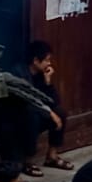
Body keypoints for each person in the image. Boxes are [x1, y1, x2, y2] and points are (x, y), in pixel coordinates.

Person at [25, 40, 68, 171]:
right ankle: (26, 161)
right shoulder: (21, 74)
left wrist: (47, 82)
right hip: (19, 118)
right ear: (36, 61)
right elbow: (28, 102)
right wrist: (49, 113)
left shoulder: (40, 75)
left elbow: (53, 102)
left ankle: (51, 156)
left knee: (60, 112)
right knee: (32, 118)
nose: (49, 63)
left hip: (38, 112)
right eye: (47, 60)